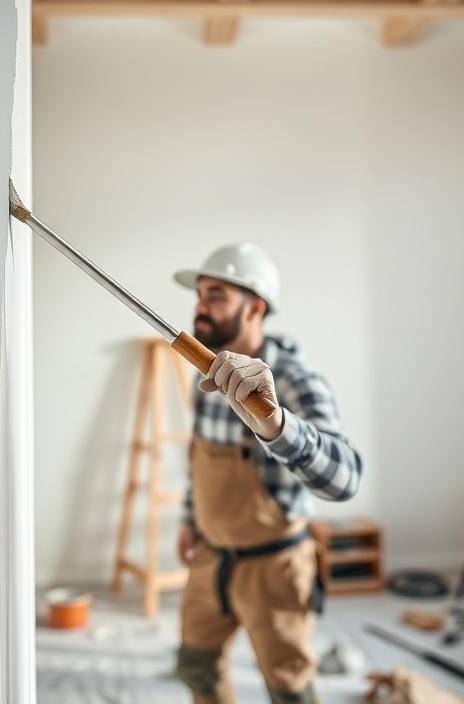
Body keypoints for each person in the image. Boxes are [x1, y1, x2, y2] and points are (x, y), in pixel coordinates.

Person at [171, 243, 363, 704]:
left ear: (255, 307)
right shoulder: (208, 373)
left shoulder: (297, 381)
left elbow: (346, 479)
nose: (200, 306)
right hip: (210, 558)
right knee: (197, 667)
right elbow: (200, 462)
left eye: (216, 294)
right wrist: (189, 517)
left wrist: (276, 423)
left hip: (274, 569)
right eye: (199, 295)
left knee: (289, 687)